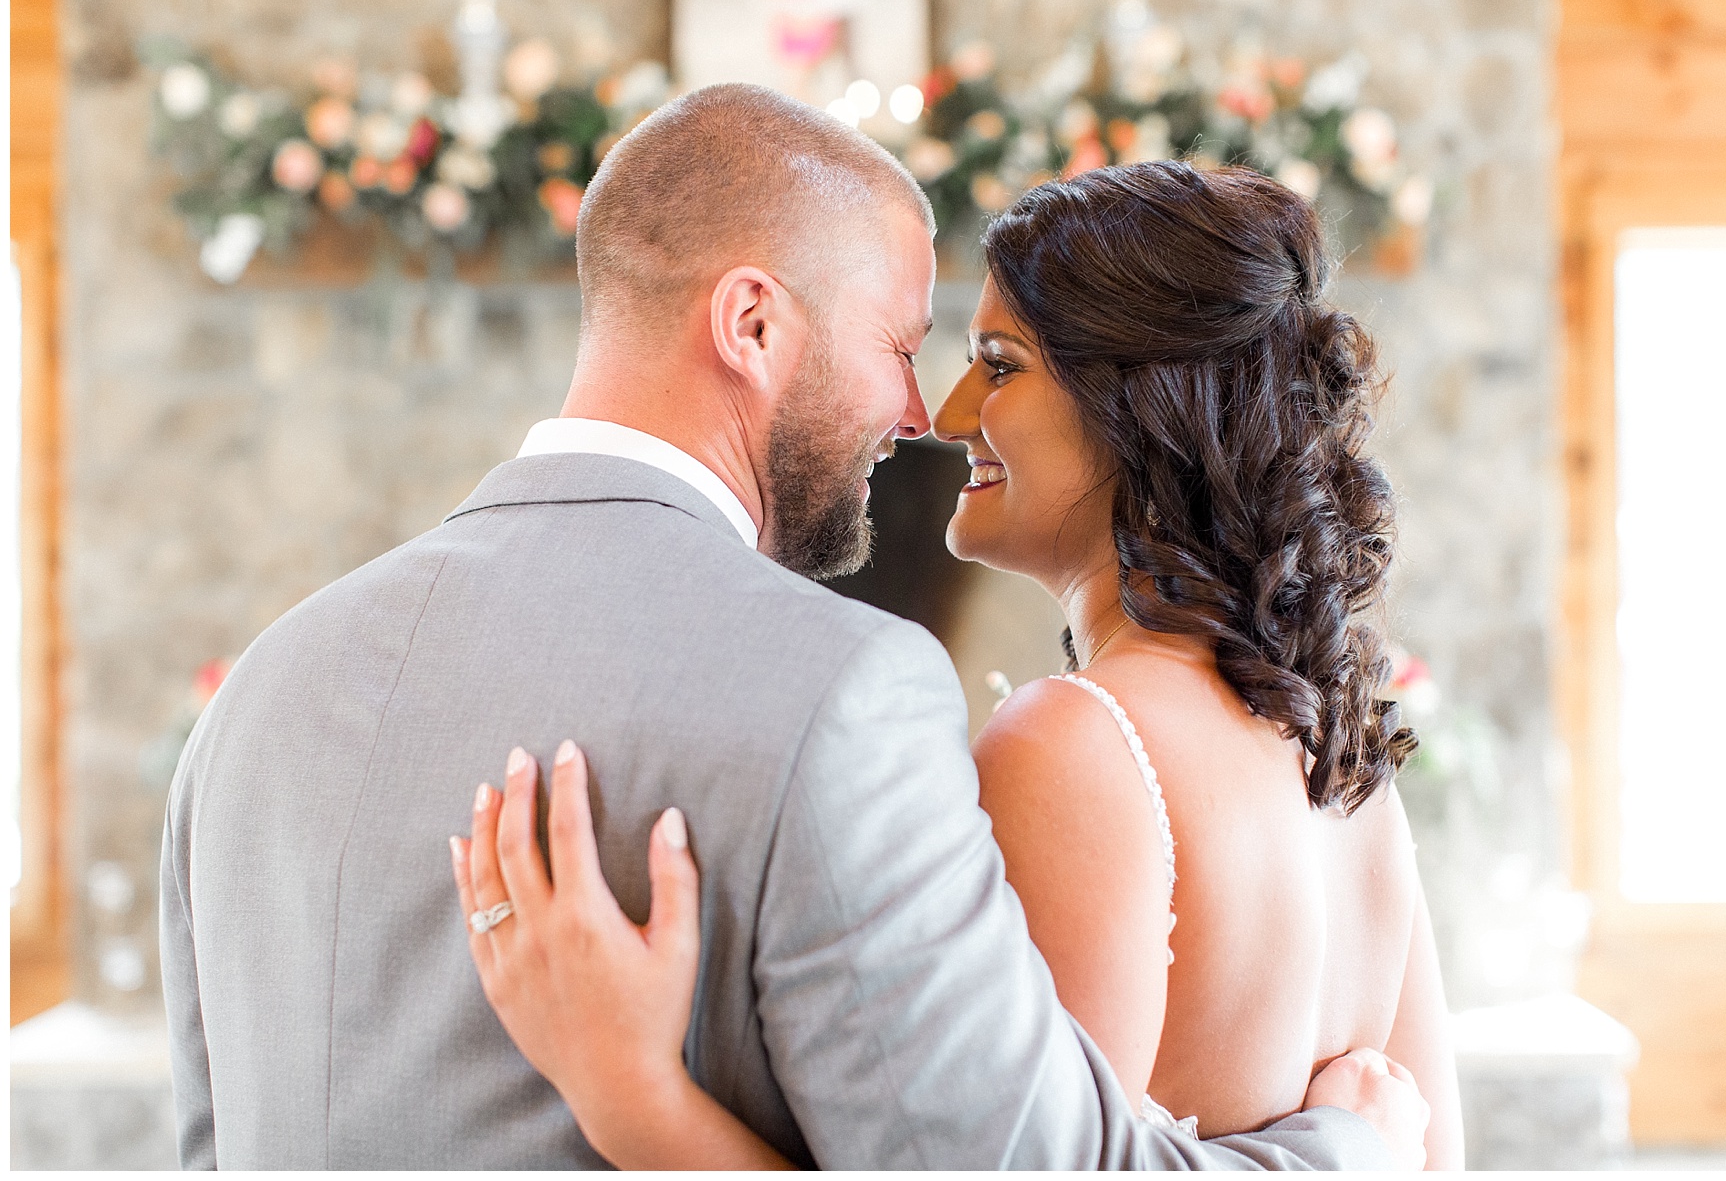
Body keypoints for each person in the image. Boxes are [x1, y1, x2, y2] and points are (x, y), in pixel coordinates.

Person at [161, 82, 1422, 1169]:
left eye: (985, 360)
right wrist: (1346, 1148)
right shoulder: (850, 693)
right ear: (752, 324)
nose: (921, 412)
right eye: (901, 344)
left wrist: (643, 1096)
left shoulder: (257, 699)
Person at [450, 162, 1465, 1165]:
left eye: (1000, 364)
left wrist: (631, 1091)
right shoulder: (1345, 767)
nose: (945, 412)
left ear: (1138, 408)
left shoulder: (1081, 746)